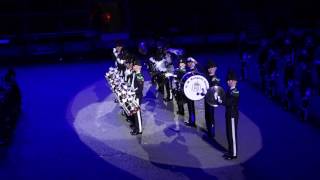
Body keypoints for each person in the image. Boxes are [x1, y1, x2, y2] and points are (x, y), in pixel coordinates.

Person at [224, 70, 240, 160]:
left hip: (233, 115)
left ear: (234, 81)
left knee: (232, 135)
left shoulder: (235, 92)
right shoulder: (229, 90)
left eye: (229, 80)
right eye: (228, 80)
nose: (228, 82)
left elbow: (229, 102)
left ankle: (233, 154)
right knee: (229, 134)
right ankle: (230, 151)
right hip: (229, 114)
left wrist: (220, 101)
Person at [205, 61, 220, 137]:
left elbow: (216, 89)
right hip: (206, 100)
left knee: (211, 115)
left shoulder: (216, 79)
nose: (211, 69)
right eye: (210, 68)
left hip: (212, 100)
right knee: (207, 115)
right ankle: (209, 130)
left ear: (216, 68)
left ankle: (212, 132)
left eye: (213, 67)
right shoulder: (206, 77)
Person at [130, 59, 144, 135]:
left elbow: (140, 89)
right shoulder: (134, 74)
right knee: (134, 112)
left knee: (137, 113)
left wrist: (133, 92)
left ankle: (139, 130)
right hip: (133, 96)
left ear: (139, 67)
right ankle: (136, 125)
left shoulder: (139, 76)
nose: (133, 66)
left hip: (137, 97)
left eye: (135, 65)